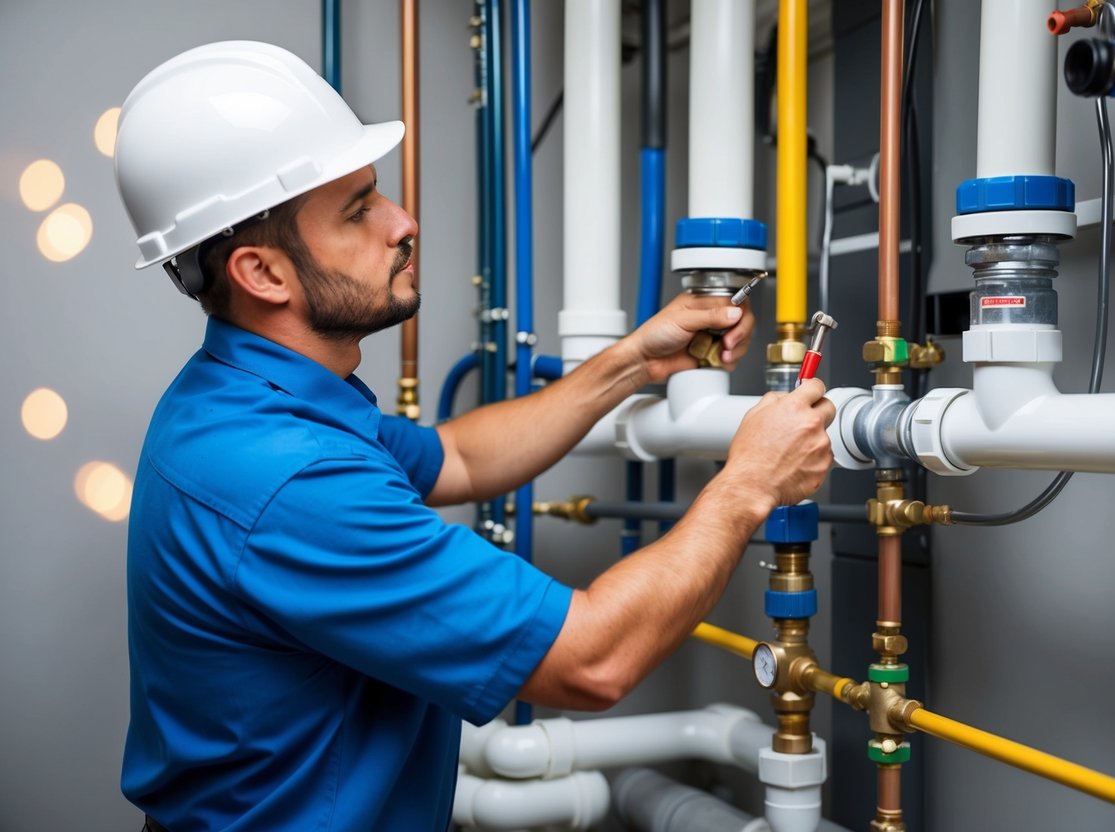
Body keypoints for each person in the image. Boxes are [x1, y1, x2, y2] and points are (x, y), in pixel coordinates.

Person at [114, 41, 835, 832]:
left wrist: (630, 361)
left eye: (377, 194)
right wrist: (748, 485)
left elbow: (458, 456)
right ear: (264, 275)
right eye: (357, 210)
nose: (402, 222)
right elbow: (592, 659)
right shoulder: (289, 479)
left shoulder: (244, 402)